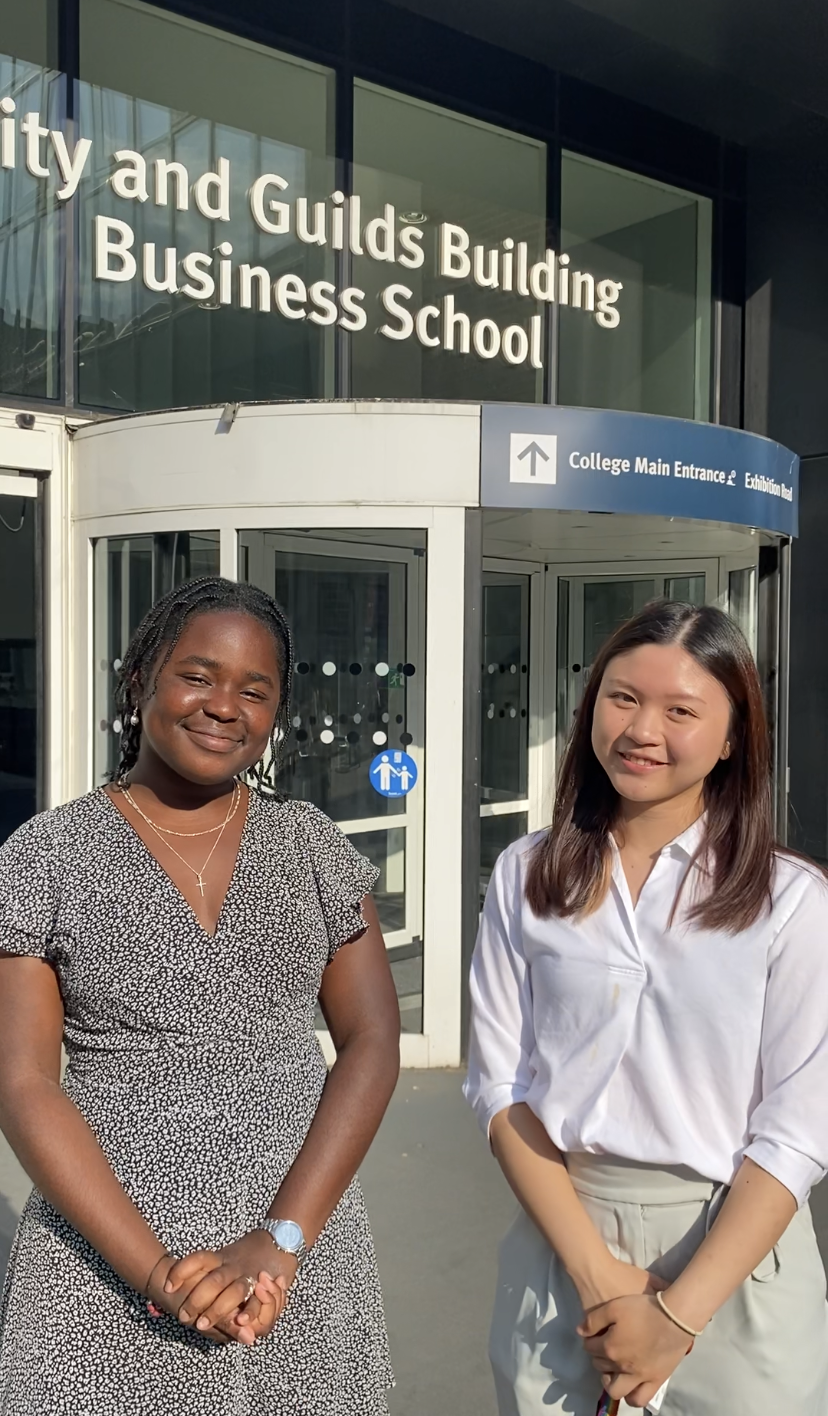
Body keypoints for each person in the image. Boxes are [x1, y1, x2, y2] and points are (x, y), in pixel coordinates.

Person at [0, 576, 400, 1415]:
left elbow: (372, 1042)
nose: (224, 706)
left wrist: (282, 1239)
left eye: (255, 690)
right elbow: (24, 1083)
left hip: (295, 1256)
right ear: (139, 677)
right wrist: (158, 1275)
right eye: (197, 675)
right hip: (105, 1261)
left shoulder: (310, 848)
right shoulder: (47, 856)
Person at [464, 600, 828, 1415]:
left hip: (734, 1259)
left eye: (681, 711)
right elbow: (500, 1088)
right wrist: (599, 1279)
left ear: (732, 737)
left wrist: (675, 1315)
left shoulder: (792, 902)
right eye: (622, 698)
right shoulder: (526, 876)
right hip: (565, 1244)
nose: (641, 730)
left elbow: (800, 1130)